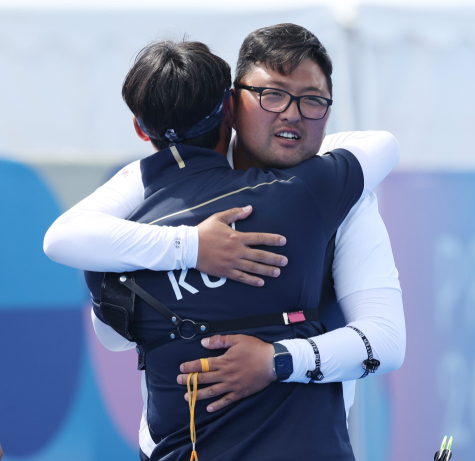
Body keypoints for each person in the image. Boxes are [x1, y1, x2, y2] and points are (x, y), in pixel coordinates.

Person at [44, 24, 405, 459]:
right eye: (272, 95)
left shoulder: (335, 193)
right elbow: (64, 237)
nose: (291, 113)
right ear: (232, 105)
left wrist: (276, 359)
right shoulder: (150, 188)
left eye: (313, 100)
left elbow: (385, 341)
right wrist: (193, 246)